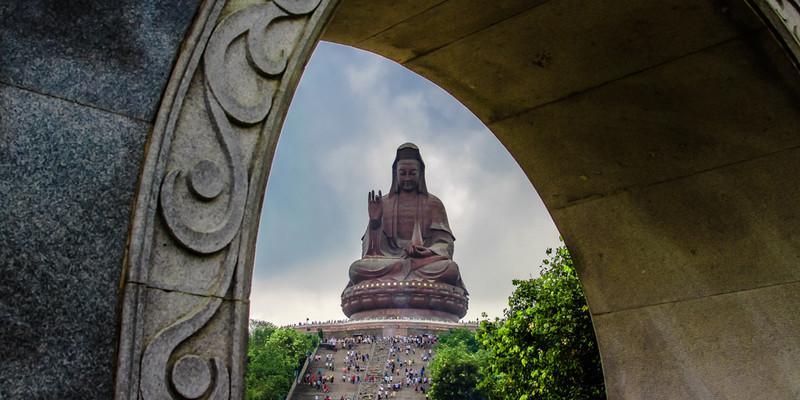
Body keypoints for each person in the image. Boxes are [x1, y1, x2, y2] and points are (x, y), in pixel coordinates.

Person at [346, 143, 467, 291]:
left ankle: (404, 274)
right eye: (403, 173)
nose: (407, 177)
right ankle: (404, 273)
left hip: (423, 262)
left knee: (450, 269)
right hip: (390, 259)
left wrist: (428, 251)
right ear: (395, 174)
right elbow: (370, 251)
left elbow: (445, 242)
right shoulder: (383, 203)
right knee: (356, 269)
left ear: (420, 173)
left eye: (412, 173)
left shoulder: (434, 204)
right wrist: (375, 223)